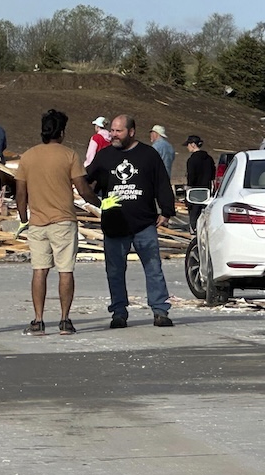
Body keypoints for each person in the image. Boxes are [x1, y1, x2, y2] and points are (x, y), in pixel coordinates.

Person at [14, 110, 101, 336]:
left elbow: (20, 193)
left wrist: (24, 217)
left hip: (38, 222)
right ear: (61, 132)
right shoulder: (69, 155)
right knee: (65, 271)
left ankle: (38, 320)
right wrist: (101, 203)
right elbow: (83, 189)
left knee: (39, 270)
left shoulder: (28, 157)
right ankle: (64, 320)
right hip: (63, 221)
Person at [86, 114, 176, 328]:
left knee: (153, 267)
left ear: (131, 132)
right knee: (115, 270)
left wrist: (166, 210)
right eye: (113, 131)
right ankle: (119, 312)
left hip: (144, 223)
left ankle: (160, 310)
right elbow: (87, 182)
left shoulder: (148, 155)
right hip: (115, 224)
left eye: (119, 131)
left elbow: (162, 182)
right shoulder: (105, 156)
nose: (113, 135)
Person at [184, 135, 216, 233]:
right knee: (204, 212)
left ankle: (194, 230)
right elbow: (212, 175)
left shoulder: (192, 160)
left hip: (194, 190)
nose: (187, 147)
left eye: (188, 145)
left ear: (193, 145)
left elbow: (191, 176)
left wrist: (187, 187)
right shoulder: (209, 159)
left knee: (194, 212)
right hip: (206, 190)